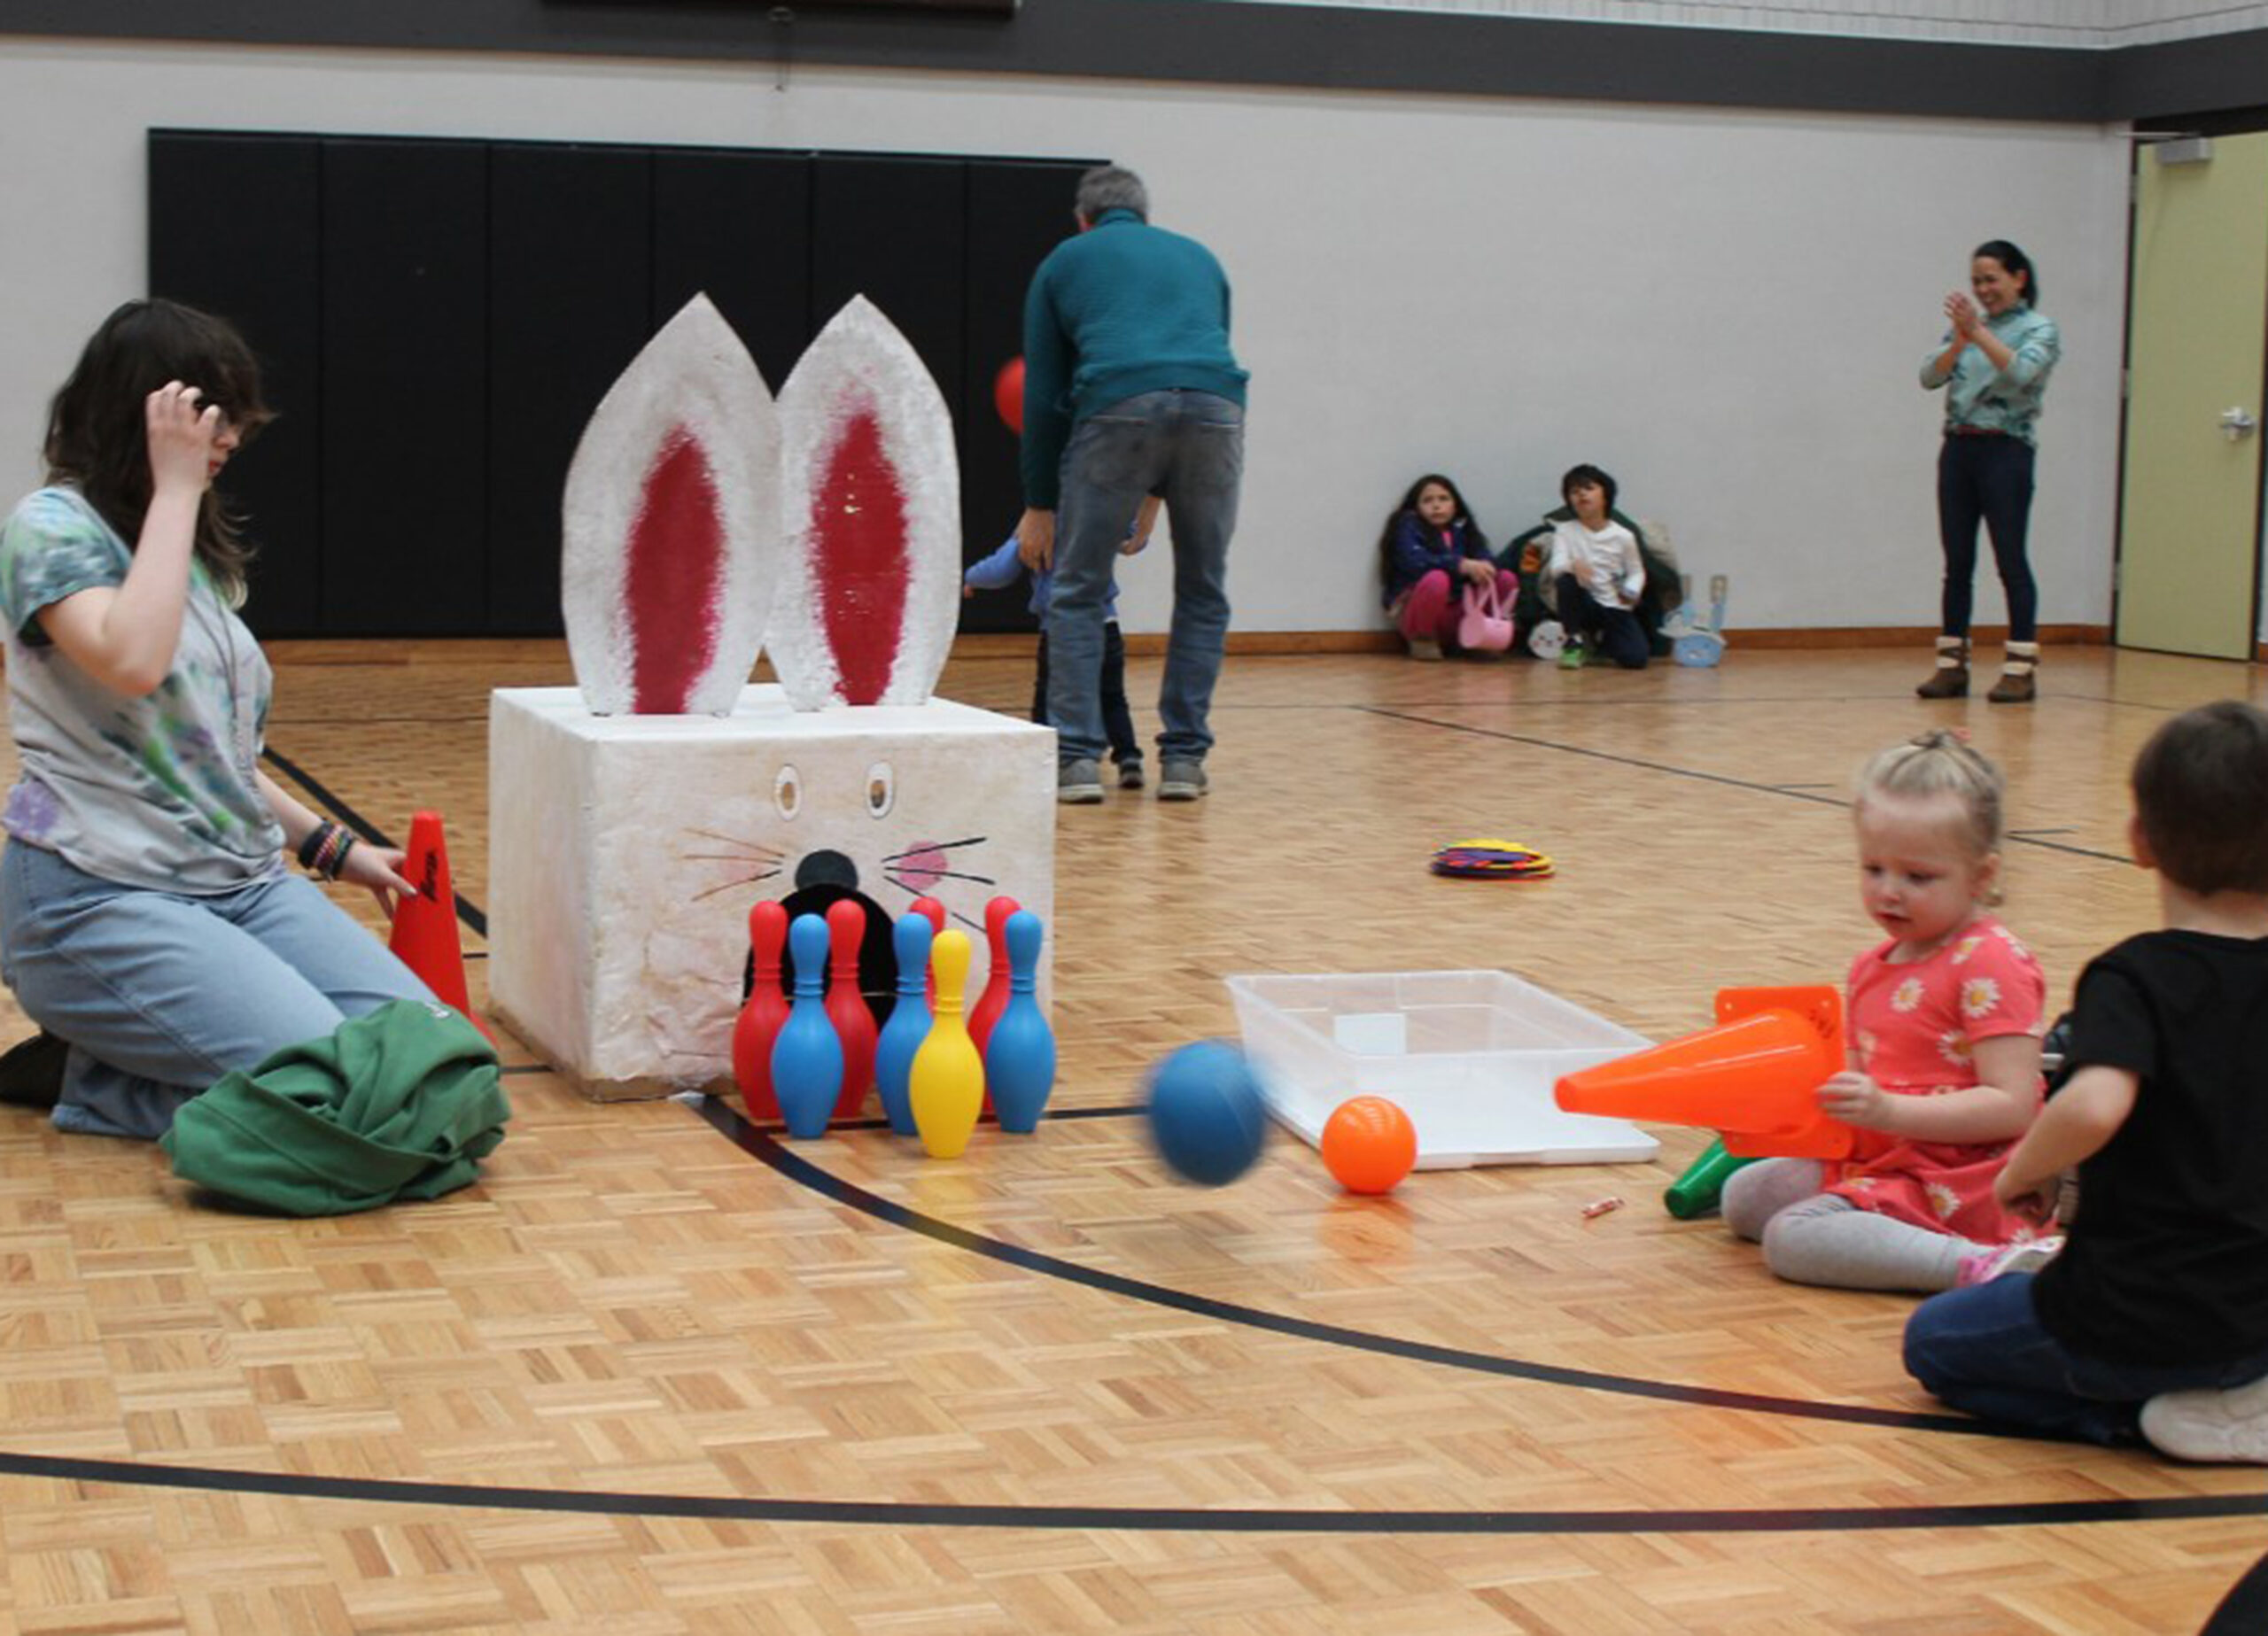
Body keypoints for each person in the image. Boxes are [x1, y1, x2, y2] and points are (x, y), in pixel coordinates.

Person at [0, 299, 441, 1140]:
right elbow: (132, 661)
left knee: (433, 1057)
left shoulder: (182, 554)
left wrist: (331, 848)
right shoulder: (47, 529)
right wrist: (174, 487)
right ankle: (98, 1080)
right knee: (340, 1090)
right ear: (149, 415)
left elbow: (206, 755)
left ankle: (136, 1057)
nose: (232, 439)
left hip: (236, 885)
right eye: (212, 416)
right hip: (95, 897)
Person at [1905, 701, 2268, 1457]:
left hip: (2133, 1318)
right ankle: (2232, 1394)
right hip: (2258, 1319)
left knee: (1935, 1342)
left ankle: (2137, 1419)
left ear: (2140, 840)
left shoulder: (2136, 975)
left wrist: (2021, 1171)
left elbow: (2095, 1105)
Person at [1721, 730, 2047, 1291]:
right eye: (1873, 869)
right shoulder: (1873, 964)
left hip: (1965, 1179)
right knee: (1744, 1197)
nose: (1888, 892)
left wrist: (1890, 1112)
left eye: (1917, 877)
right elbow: (1853, 1087)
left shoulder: (1991, 961)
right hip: (1888, 1156)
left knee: (1790, 1238)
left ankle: (1976, 1264)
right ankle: (1892, 1237)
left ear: (1983, 875)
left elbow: (2014, 1106)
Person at [1016, 165, 1248, 805]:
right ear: (1144, 213)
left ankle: (1077, 759)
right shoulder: (1199, 258)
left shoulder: (1066, 260)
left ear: (1082, 218)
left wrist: (1039, 502)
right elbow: (1188, 377)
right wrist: (1153, 493)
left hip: (1115, 406)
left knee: (1077, 591)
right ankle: (1183, 760)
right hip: (1217, 410)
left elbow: (1042, 396)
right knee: (1203, 588)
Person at [1917, 238, 2060, 704]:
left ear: (2019, 278)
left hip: (2006, 452)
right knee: (1957, 563)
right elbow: (1929, 377)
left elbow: (2021, 375)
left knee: (2010, 561)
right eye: (1977, 280)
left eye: (1992, 279)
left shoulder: (2039, 329)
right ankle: (1952, 665)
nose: (1983, 289)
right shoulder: (1967, 328)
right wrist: (1959, 339)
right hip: (1960, 448)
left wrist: (1976, 334)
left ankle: (2020, 666)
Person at [966, 495, 1160, 799]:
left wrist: (970, 578)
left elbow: (1000, 571)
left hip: (1058, 627)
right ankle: (1129, 757)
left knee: (1047, 693)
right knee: (1112, 696)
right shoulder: (1100, 512)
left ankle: (1043, 754)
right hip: (1106, 624)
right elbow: (1134, 535)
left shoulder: (1037, 527)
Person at [1376, 474, 1510, 660]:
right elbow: (1413, 561)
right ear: (1416, 507)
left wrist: (1485, 565)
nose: (1436, 506)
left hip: (1460, 611)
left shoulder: (1462, 529)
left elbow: (1482, 552)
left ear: (1455, 505)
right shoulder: (1406, 525)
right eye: (1427, 500)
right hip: (1422, 611)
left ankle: (1477, 637)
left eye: (1443, 499)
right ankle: (1422, 639)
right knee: (1437, 579)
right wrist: (1460, 564)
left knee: (1504, 578)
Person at [1534, 464, 1647, 671]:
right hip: (1583, 602)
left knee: (1635, 659)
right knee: (1566, 581)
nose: (1581, 494)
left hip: (1614, 604)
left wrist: (1631, 590)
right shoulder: (1565, 531)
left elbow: (1637, 571)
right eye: (1574, 492)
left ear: (1606, 496)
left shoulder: (1624, 536)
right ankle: (1574, 641)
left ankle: (1601, 641)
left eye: (1589, 488)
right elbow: (1556, 567)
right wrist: (1573, 565)